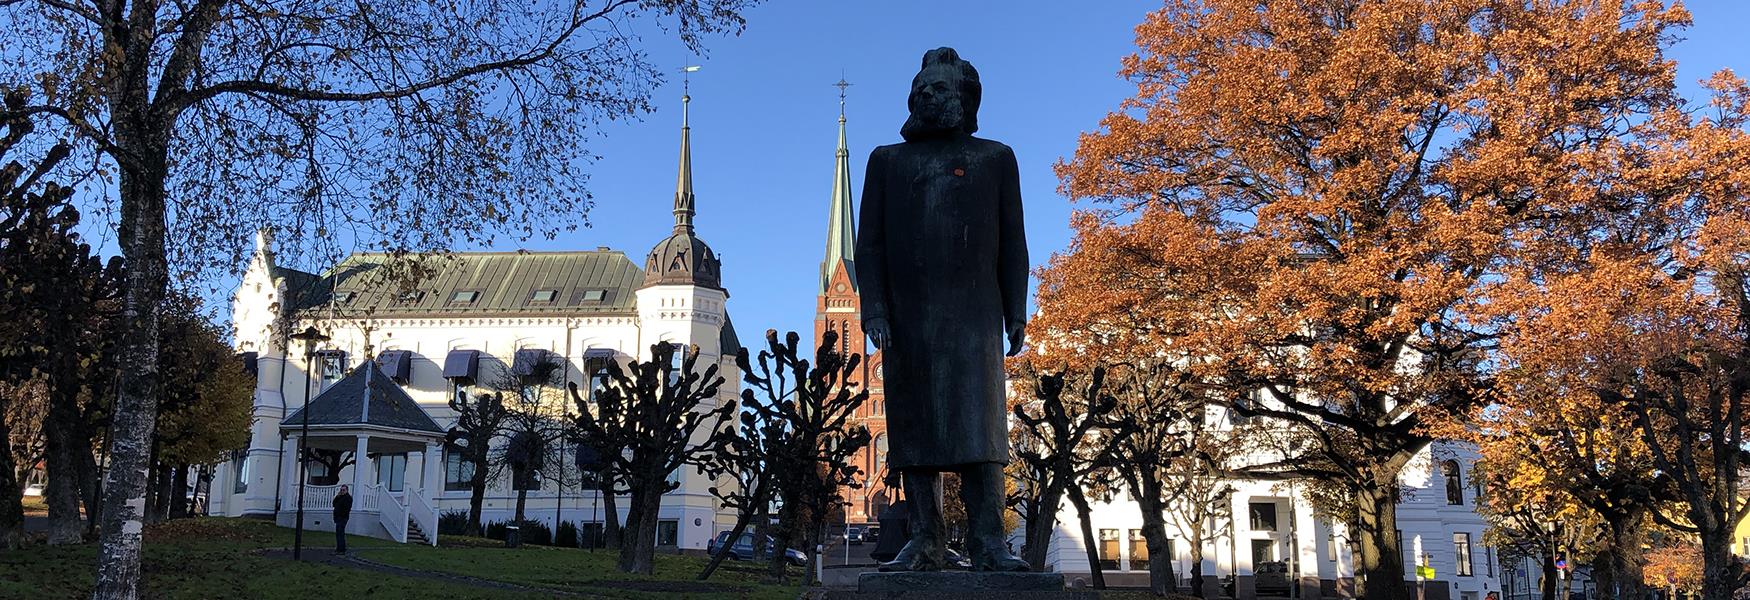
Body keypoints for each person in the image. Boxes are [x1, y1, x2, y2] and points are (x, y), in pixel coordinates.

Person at [856, 46, 1030, 573]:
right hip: (908, 318)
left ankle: (988, 542)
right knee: (913, 432)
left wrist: (1016, 310)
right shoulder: (886, 161)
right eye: (922, 88)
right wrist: (875, 312)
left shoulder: (995, 159)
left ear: (965, 99)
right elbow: (871, 246)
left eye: (939, 89)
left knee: (981, 431)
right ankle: (926, 537)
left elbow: (1013, 241)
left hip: (977, 314)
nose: (928, 96)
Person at [332, 484, 353, 554]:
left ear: (347, 490)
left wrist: (341, 515)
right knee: (338, 533)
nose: (342, 491)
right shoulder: (340, 497)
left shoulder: (348, 498)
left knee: (341, 533)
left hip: (343, 518)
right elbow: (334, 504)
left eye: (343, 490)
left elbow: (346, 509)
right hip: (338, 518)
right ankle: (338, 548)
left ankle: (341, 549)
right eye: (341, 490)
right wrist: (337, 497)